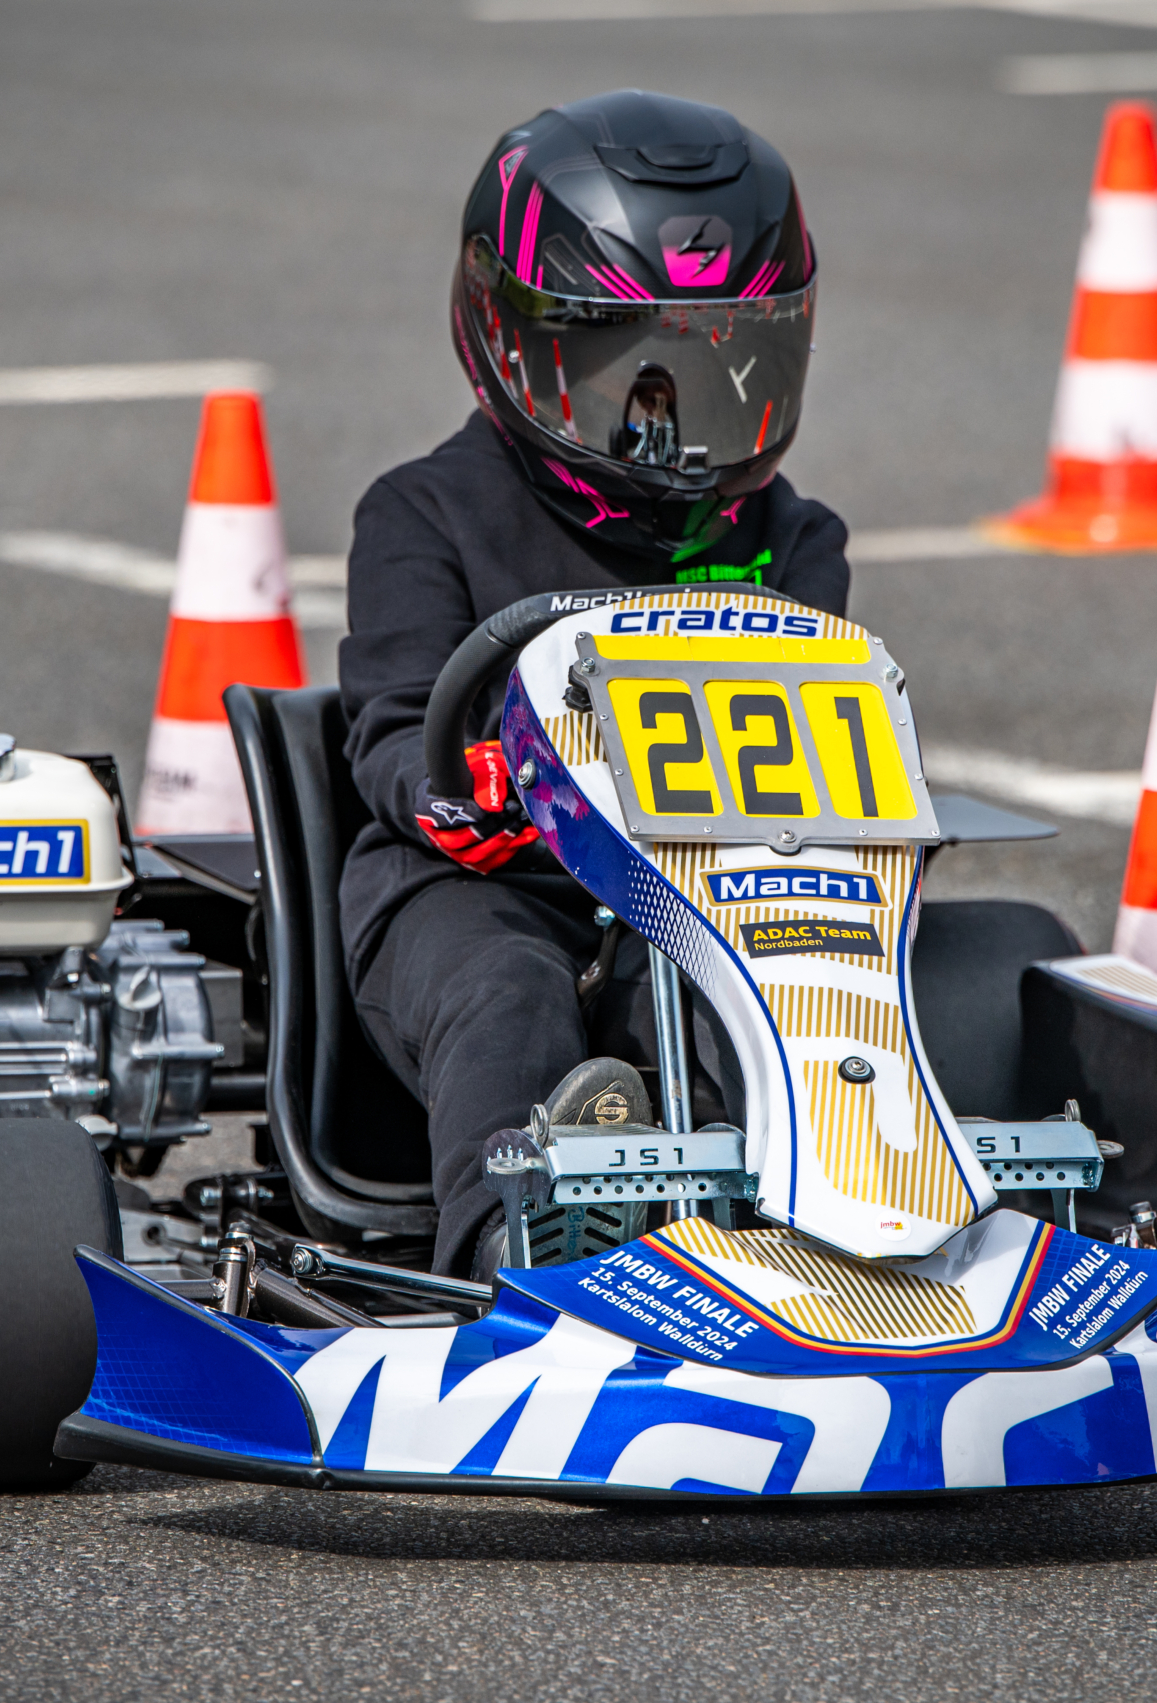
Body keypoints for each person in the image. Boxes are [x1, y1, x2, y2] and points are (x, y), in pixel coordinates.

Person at [338, 89, 852, 1276]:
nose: (668, 423)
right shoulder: (423, 513)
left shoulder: (793, 539)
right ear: (516, 341)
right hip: (473, 887)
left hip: (706, 897)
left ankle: (840, 1245)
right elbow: (393, 729)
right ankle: (502, 1274)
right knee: (514, 995)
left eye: (720, 365)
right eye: (630, 375)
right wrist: (468, 785)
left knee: (781, 1004)